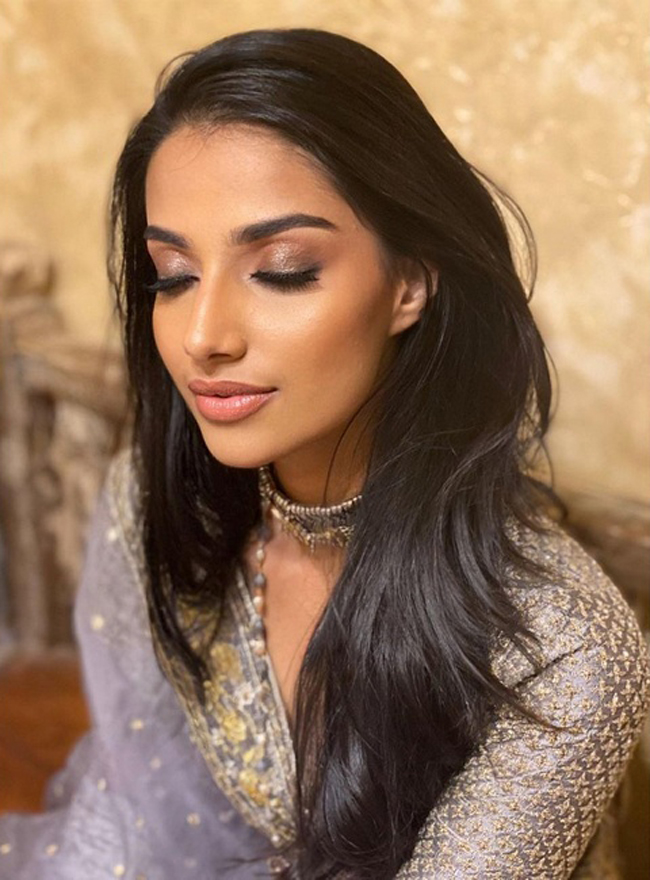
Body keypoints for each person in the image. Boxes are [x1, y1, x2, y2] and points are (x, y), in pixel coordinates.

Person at [1, 27, 648, 880]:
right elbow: (133, 821)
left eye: (282, 269)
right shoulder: (150, 505)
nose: (203, 336)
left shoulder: (564, 647)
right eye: (173, 275)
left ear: (409, 284)